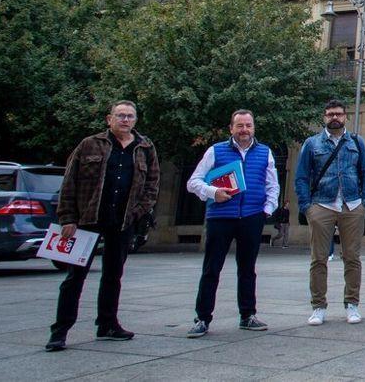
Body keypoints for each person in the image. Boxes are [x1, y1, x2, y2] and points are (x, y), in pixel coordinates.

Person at [46, 100, 160, 352]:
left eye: (130, 116)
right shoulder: (90, 144)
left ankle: (107, 324)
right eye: (120, 115)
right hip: (88, 219)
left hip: (122, 221)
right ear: (109, 119)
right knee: (75, 276)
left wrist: (137, 212)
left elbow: (152, 184)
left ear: (135, 120)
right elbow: (70, 183)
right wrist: (67, 218)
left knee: (113, 275)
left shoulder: (144, 147)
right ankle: (60, 330)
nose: (125, 120)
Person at [185, 109, 280, 338]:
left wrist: (267, 210)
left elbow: (273, 185)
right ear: (231, 128)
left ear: (254, 127)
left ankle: (247, 315)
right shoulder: (215, 151)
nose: (244, 130)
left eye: (248, 125)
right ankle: (203, 318)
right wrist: (212, 191)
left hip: (251, 217)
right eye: (240, 126)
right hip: (220, 217)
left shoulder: (265, 152)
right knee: (211, 269)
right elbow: (193, 181)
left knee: (247, 269)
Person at [295, 99, 365, 326]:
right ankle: (318, 306)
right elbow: (301, 177)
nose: (334, 118)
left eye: (338, 114)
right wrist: (307, 207)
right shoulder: (312, 144)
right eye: (330, 114)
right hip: (322, 205)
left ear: (345, 116)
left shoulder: (357, 142)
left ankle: (352, 304)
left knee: (352, 258)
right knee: (318, 259)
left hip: (352, 205)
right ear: (324, 117)